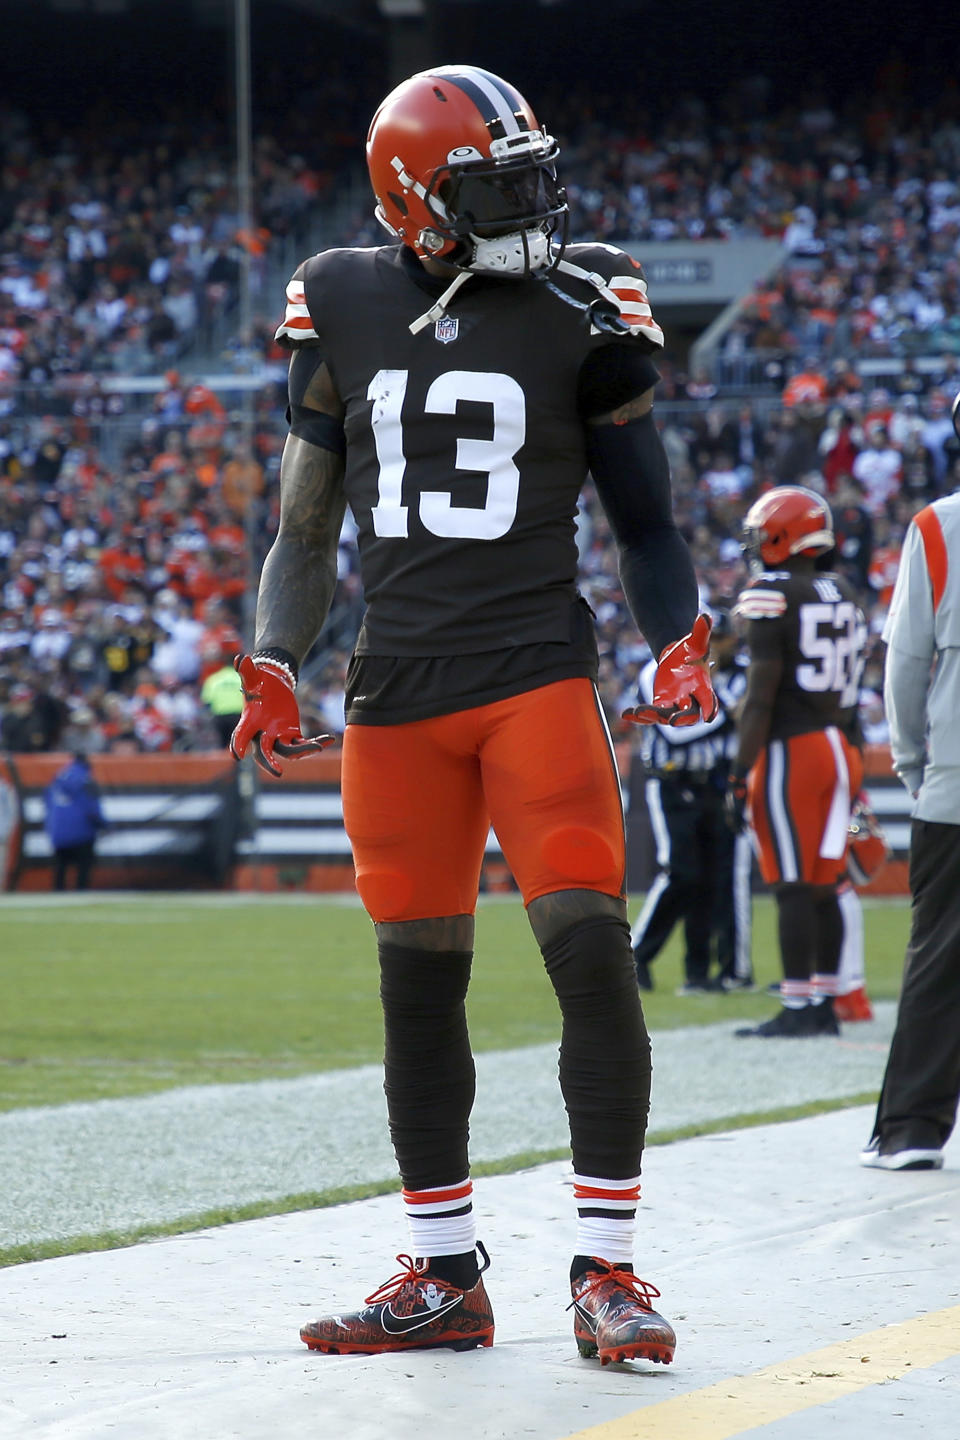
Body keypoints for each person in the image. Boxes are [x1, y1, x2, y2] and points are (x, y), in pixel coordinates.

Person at [230, 65, 718, 1365]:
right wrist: (273, 654)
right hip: (395, 698)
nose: (534, 205)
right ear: (413, 202)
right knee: (415, 992)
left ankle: (607, 1267)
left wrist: (675, 636)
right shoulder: (336, 295)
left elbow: (646, 524)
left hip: (534, 681)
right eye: (496, 186)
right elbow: (303, 524)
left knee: (590, 958)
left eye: (529, 175)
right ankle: (447, 1276)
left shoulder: (586, 293)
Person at [726, 486, 868, 1038]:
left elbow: (761, 697)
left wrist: (739, 773)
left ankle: (798, 1004)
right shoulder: (846, 591)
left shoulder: (771, 594)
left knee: (790, 881)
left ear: (783, 535)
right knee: (825, 881)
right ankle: (829, 1002)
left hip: (794, 749)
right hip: (841, 745)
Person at [860, 399, 960, 1170]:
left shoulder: (938, 525)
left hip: (955, 788)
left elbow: (905, 665)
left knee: (939, 962)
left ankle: (911, 1132)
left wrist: (912, 762)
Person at [630, 609, 753, 994]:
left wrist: (717, 712)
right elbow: (675, 732)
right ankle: (634, 956)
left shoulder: (721, 672)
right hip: (670, 783)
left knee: (708, 880)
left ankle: (697, 972)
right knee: (679, 872)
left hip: (711, 785)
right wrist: (721, 713)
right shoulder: (655, 672)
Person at [43, 752, 105, 891]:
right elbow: (92, 808)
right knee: (83, 867)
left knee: (60, 867)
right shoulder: (86, 781)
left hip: (58, 832)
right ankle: (81, 892)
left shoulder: (57, 778)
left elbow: (47, 803)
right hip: (82, 832)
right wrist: (104, 825)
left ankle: (58, 893)